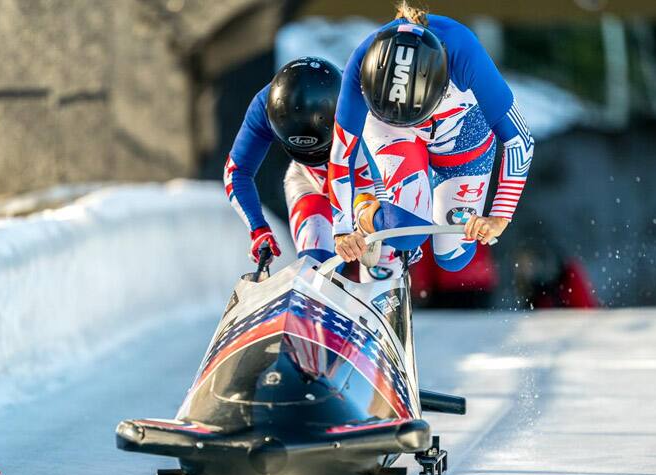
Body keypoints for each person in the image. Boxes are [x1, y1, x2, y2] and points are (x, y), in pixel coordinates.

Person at [328, 1, 535, 281]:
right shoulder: (361, 63)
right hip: (392, 132)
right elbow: (342, 153)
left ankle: (408, 201)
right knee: (406, 233)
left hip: (461, 132)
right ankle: (367, 209)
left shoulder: (464, 53)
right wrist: (342, 228)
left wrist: (499, 216)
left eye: (416, 115)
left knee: (454, 257)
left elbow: (519, 140)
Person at [224, 57, 343, 264]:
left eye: (320, 150)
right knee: (315, 271)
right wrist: (258, 228)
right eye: (304, 151)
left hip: (367, 187)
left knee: (382, 271)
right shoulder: (264, 106)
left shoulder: (363, 98)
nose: (313, 156)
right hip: (310, 181)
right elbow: (237, 171)